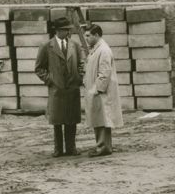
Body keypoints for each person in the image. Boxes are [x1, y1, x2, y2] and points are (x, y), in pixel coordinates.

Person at [34, 16, 85, 157]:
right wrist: (50, 80)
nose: (68, 33)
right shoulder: (47, 46)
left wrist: (79, 77)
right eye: (65, 30)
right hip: (57, 89)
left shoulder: (75, 45)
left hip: (72, 88)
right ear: (58, 31)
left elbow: (81, 64)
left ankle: (71, 148)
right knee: (57, 121)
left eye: (69, 30)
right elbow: (39, 68)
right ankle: (58, 149)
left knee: (71, 120)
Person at [82, 24, 124, 157]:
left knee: (102, 119)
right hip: (95, 90)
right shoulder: (96, 49)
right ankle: (102, 145)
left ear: (96, 35)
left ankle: (103, 147)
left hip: (100, 92)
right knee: (99, 119)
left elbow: (104, 73)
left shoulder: (103, 50)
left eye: (88, 36)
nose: (86, 38)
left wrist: (96, 89)